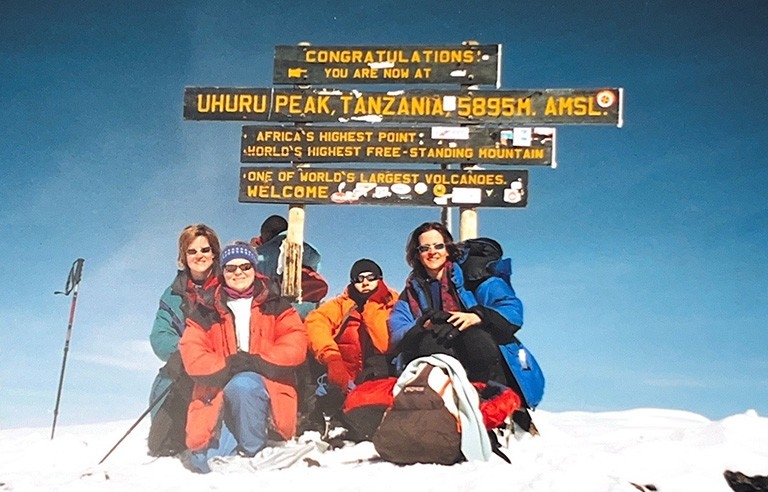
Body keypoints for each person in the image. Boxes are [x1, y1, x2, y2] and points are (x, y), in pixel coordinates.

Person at [178, 243, 307, 473]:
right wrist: (226, 365)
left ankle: (254, 448)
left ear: (254, 269)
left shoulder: (276, 304)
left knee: (243, 385)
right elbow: (192, 352)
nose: (238, 272)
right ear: (222, 272)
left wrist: (257, 362)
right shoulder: (206, 309)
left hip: (264, 385)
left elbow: (295, 343)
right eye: (230, 268)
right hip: (217, 389)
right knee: (205, 462)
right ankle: (240, 447)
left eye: (245, 266)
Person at [388, 222, 523, 387]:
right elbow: (396, 331)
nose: (432, 252)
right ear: (417, 254)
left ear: (447, 249)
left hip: (484, 365)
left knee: (475, 339)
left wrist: (477, 316)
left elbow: (512, 310)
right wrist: (424, 325)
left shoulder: (474, 275)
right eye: (425, 248)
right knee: (430, 342)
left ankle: (488, 396)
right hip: (438, 371)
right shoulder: (412, 290)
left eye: (438, 246)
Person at [147, 224, 221, 457]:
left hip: (222, 365)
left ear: (214, 253)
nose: (199, 256)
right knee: (161, 443)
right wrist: (182, 354)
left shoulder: (230, 282)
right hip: (186, 367)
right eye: (192, 251)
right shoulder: (172, 294)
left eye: (205, 249)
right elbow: (160, 334)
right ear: (183, 257)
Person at [303, 259, 398, 434]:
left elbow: (385, 344)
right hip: (345, 379)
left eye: (371, 277)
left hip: (382, 377)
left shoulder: (394, 304)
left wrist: (372, 307)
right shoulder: (340, 305)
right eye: (359, 279)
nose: (365, 282)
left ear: (380, 279)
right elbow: (315, 324)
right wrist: (331, 358)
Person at [249, 214, 325, 319]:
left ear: (267, 233)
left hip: (271, 315)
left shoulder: (259, 256)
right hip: (304, 313)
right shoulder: (308, 251)